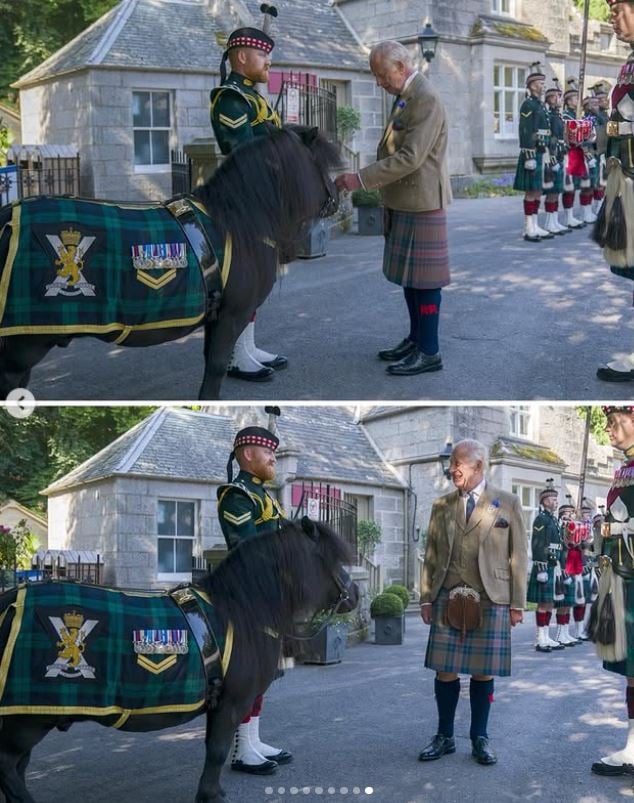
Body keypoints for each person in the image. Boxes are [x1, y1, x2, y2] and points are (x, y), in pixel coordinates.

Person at [335, 40, 451, 377]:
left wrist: (360, 179)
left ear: (401, 66)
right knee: (410, 280)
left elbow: (410, 158)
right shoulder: (405, 95)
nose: (378, 83)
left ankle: (429, 351)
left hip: (422, 202)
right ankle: (416, 339)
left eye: (382, 75)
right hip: (404, 200)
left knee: (425, 282)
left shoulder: (426, 98)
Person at [418, 440, 527, 766]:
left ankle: (480, 737)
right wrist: (426, 596)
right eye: (451, 463)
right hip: (447, 595)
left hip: (491, 597)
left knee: (483, 672)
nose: (452, 469)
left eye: (458, 463)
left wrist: (517, 603)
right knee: (444, 669)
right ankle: (445, 736)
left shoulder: (506, 502)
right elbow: (431, 554)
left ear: (478, 466)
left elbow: (518, 555)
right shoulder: (442, 505)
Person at [209, 19, 288, 382]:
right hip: (241, 200)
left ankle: (248, 347)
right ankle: (235, 355)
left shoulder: (253, 96)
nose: (269, 62)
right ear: (242, 57)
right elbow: (242, 152)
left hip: (260, 199)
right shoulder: (231, 97)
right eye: (263, 55)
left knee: (259, 278)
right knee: (244, 278)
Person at [216, 425, 292, 774]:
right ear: (248, 454)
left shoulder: (265, 496)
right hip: (246, 596)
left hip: (267, 596)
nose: (274, 458)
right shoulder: (237, 494)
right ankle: (241, 750)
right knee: (248, 673)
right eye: (268, 452)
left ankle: (253, 740)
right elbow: (246, 549)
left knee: (263, 672)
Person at [590, 405, 634, 776]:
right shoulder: (624, 469)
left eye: (615, 421)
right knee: (632, 671)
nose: (608, 428)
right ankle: (633, 748)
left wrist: (619, 529)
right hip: (621, 579)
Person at [595, 0, 634, 382]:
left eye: (619, 9)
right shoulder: (629, 61)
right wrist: (596, 133)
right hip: (625, 176)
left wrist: (615, 128)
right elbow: (620, 119)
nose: (612, 17)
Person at [513, 63, 555, 241]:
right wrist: (529, 154)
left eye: (543, 83)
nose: (543, 86)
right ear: (531, 85)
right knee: (531, 191)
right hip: (532, 151)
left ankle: (535, 224)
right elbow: (525, 129)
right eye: (540, 83)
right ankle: (528, 227)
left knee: (538, 190)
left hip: (542, 151)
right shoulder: (528, 105)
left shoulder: (541, 105)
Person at [527, 478, 566, 652]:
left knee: (550, 602)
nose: (555, 502)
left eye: (556, 499)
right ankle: (539, 638)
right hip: (544, 564)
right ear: (544, 501)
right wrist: (541, 567)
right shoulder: (541, 519)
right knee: (543, 603)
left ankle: (546, 636)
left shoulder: (554, 520)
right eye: (552, 499)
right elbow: (537, 543)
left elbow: (559, 544)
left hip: (553, 563)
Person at [542, 79, 570, 236]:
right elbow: (551, 138)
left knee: (557, 190)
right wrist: (552, 158)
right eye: (558, 96)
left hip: (560, 154)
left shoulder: (557, 116)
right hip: (554, 156)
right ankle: (549, 222)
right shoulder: (550, 117)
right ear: (551, 99)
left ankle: (554, 220)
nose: (561, 99)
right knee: (552, 191)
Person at [561, 79, 586, 229]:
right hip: (569, 152)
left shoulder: (577, 116)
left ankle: (570, 216)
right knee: (568, 186)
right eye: (576, 98)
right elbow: (566, 134)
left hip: (577, 153)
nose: (578, 101)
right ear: (569, 101)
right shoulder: (566, 116)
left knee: (574, 186)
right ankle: (567, 217)